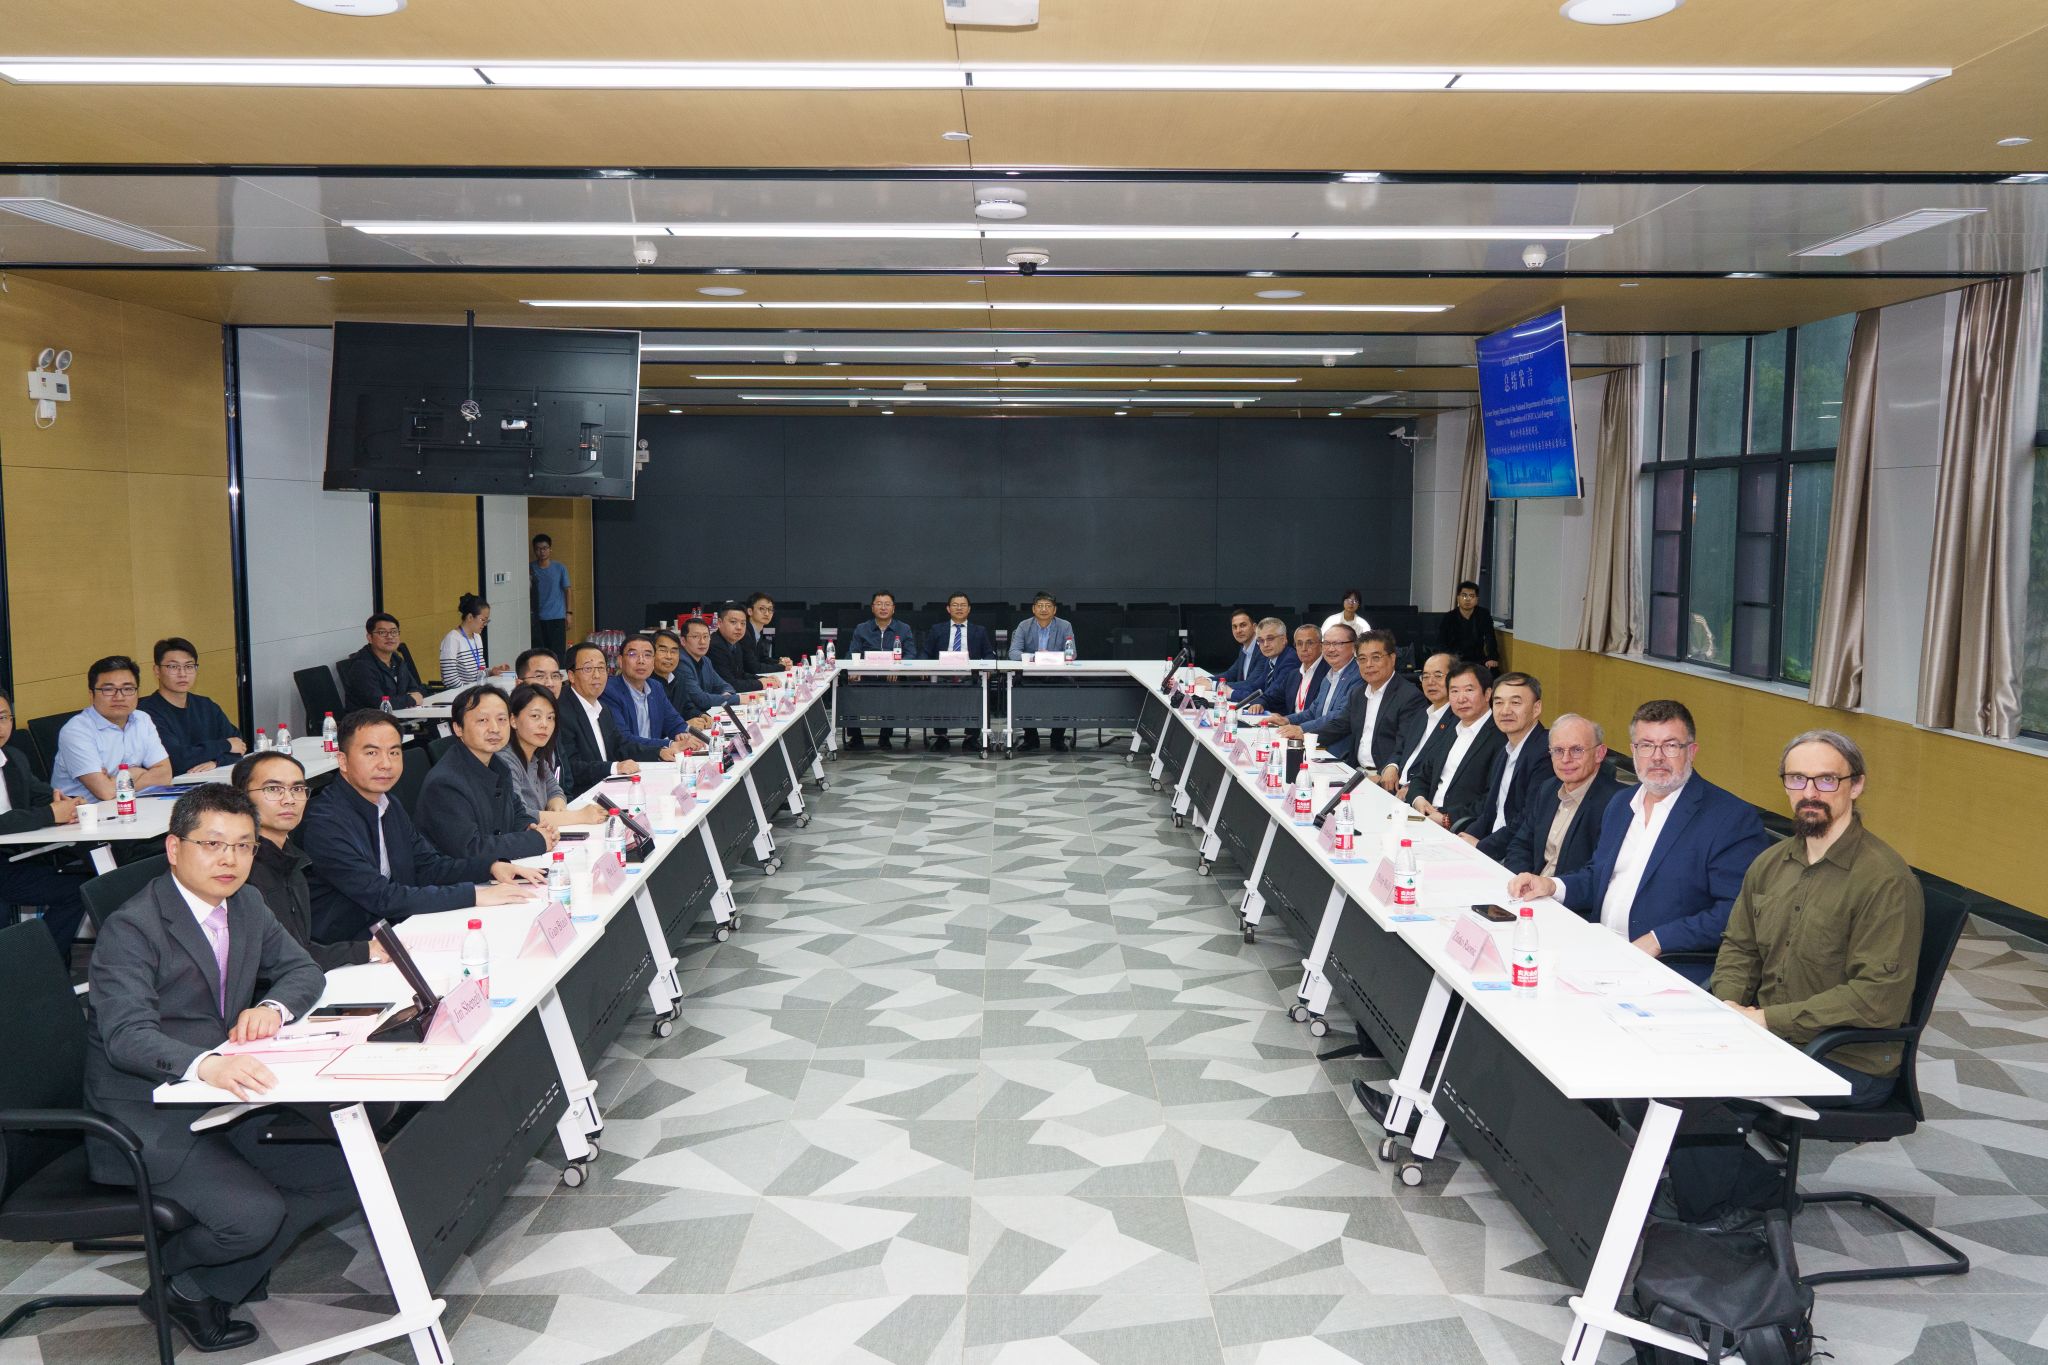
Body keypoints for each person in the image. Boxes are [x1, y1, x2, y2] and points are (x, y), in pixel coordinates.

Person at [83, 785, 358, 1351]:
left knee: (344, 1173)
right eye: (212, 844)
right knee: (253, 1217)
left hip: (224, 1097)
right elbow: (126, 1036)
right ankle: (177, 1277)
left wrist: (271, 1007)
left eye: (243, 846)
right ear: (174, 848)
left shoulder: (247, 903)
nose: (229, 859)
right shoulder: (132, 927)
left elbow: (304, 972)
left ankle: (198, 1285)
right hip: (145, 1111)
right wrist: (204, 1064)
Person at [1714, 730, 1924, 1103]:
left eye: (1827, 780)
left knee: (1697, 1090)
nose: (1810, 793)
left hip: (1843, 1059)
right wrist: (1728, 1006)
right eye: (1797, 779)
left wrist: (1767, 1019)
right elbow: (1740, 947)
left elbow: (1876, 997)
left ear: (1856, 786)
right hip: (1769, 1037)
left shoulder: (1885, 880)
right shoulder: (1770, 863)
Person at [1508, 700, 1771, 984]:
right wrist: (1552, 885)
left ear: (1692, 751)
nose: (1657, 757)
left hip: (1668, 968)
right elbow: (1599, 876)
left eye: (1670, 746)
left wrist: (1659, 939)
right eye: (1646, 745)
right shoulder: (1621, 803)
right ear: (1633, 751)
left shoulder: (1730, 818)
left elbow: (1736, 911)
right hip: (1599, 952)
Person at [302, 710, 543, 944]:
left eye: (394, 752)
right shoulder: (326, 821)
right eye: (372, 753)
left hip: (397, 926)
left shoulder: (388, 803)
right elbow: (382, 897)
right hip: (350, 947)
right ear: (343, 761)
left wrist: (490, 868)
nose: (386, 764)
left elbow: (428, 866)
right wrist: (474, 895)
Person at [232, 750, 381, 970]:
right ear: (242, 798)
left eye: (297, 789)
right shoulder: (240, 870)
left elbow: (298, 947)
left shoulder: (291, 858)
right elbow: (278, 959)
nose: (289, 800)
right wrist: (362, 950)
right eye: (273, 789)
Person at [417, 685, 556, 863]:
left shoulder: (498, 766)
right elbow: (471, 849)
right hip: (460, 877)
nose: (495, 728)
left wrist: (532, 827)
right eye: (483, 720)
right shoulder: (445, 783)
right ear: (458, 728)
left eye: (501, 719)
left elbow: (516, 812)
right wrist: (534, 840)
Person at [0, 688, 88, 962]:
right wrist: (50, 814)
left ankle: (38, 963)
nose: (0, 726)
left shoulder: (13, 758)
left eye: (3, 717)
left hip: (12, 863)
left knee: (83, 888)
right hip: (8, 866)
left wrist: (68, 804)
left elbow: (41, 794)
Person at [1479, 713, 1621, 880]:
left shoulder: (1616, 802)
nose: (1566, 759)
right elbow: (1521, 844)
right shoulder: (1548, 789)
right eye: (1558, 751)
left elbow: (1597, 872)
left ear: (1599, 753)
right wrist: (1522, 878)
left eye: (1577, 750)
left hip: (1567, 894)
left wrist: (1551, 887)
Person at [554, 641, 692, 792]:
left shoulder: (602, 708)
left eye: (601, 668)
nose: (597, 675)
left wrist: (659, 751)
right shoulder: (561, 712)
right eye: (588, 669)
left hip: (609, 788)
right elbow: (570, 767)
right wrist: (614, 767)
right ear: (571, 676)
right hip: (582, 796)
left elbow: (620, 745)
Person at [51, 655, 174, 798]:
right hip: (86, 809)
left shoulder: (142, 719)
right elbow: (105, 792)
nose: (119, 697)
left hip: (131, 803)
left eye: (127, 689)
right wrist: (135, 772)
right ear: (91, 695)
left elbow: (165, 774)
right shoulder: (76, 731)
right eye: (108, 689)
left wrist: (119, 780)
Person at [1405, 662, 1505, 828]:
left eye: (1469, 690)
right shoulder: (1449, 728)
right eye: (1454, 691)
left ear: (1488, 694)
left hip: (1462, 828)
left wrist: (1447, 818)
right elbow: (1423, 774)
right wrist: (1418, 799)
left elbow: (1492, 799)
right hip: (1426, 816)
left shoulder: (1500, 737)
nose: (1461, 698)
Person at [1311, 629, 1427, 771]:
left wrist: (1391, 768)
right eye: (1362, 659)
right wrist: (1305, 738)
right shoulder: (1358, 693)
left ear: (1392, 658)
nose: (1368, 664)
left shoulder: (1409, 696)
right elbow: (1339, 725)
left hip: (1385, 775)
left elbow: (1407, 743)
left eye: (1376, 658)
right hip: (1356, 771)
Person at [499, 683, 606, 829]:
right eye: (535, 716)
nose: (544, 724)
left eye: (550, 717)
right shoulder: (505, 761)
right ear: (513, 720)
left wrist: (557, 803)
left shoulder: (536, 757)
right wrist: (580, 816)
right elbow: (520, 815)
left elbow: (554, 789)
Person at [1460, 671, 1548, 846]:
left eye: (1515, 702)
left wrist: (1481, 846)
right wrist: (1463, 839)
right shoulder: (1506, 750)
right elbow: (1489, 812)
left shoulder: (1545, 753)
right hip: (1491, 843)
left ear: (1536, 708)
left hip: (1515, 852)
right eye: (1498, 702)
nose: (1505, 710)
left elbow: (1529, 819)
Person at [137, 637, 246, 774]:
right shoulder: (145, 712)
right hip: (170, 785)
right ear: (157, 670)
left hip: (209, 780)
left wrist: (216, 762)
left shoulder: (206, 705)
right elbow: (175, 760)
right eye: (173, 667)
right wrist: (225, 745)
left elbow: (239, 745)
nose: (182, 674)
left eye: (189, 666)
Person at [1273, 624, 1363, 758]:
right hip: (1317, 748)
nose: (1331, 649)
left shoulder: (1358, 676)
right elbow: (1313, 711)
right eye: (1326, 643)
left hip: (1340, 754)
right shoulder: (1328, 676)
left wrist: (1301, 729)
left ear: (1354, 646)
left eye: (1337, 643)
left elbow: (1339, 716)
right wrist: (1286, 720)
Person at [845, 591, 918, 750]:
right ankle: (856, 737)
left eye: (887, 604)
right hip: (865, 677)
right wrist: (854, 669)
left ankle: (885, 736)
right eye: (879, 604)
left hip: (891, 677)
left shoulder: (903, 628)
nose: (883, 608)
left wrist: (897, 669)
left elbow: (911, 654)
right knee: (849, 691)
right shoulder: (862, 628)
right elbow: (852, 652)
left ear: (893, 608)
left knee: (892, 691)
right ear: (872, 608)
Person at [603, 636, 700, 755]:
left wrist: (682, 735)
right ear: (620, 661)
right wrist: (669, 744)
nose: (641, 661)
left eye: (647, 655)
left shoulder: (655, 687)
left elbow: (675, 723)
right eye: (633, 654)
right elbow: (624, 739)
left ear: (653, 662)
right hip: (627, 761)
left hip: (654, 760)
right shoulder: (609, 691)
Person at [924, 591, 995, 751]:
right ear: (948, 609)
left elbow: (989, 654)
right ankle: (941, 737)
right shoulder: (937, 629)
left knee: (977, 690)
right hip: (942, 675)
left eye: (963, 605)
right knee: (937, 690)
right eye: (955, 605)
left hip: (970, 676)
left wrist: (988, 666)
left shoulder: (979, 630)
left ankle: (971, 738)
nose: (959, 608)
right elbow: (926, 652)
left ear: (969, 609)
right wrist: (924, 667)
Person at [1008, 592, 1078, 751]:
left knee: (1068, 688)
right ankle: (1031, 738)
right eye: (1040, 606)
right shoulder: (1024, 626)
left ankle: (1057, 738)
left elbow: (1072, 653)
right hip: (1030, 675)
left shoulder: (1065, 626)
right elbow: (1013, 653)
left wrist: (1049, 657)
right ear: (1034, 609)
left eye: (1048, 606)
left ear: (1054, 610)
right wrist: (1035, 657)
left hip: (1057, 675)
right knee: (1018, 688)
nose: (1044, 609)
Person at [339, 613, 426, 712]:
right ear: (370, 638)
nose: (390, 636)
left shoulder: (397, 660)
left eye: (394, 632)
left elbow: (415, 689)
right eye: (382, 632)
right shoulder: (361, 666)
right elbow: (379, 704)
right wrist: (410, 700)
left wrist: (412, 697)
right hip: (369, 720)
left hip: (400, 715)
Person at [675, 617, 745, 720]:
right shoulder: (681, 662)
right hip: (688, 720)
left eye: (706, 636)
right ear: (683, 641)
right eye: (695, 636)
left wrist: (727, 696)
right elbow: (701, 700)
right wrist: (736, 699)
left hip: (705, 717)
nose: (702, 642)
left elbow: (725, 686)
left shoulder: (705, 660)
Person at [1249, 624, 1326, 717]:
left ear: (1321, 646)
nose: (1304, 648)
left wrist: (1287, 720)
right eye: (1299, 644)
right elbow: (1271, 697)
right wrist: (1259, 703)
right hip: (1290, 724)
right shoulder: (1293, 675)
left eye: (1310, 643)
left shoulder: (1328, 673)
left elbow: (1317, 714)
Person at [438, 593, 510, 689]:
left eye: (487, 621)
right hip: (462, 694)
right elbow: (450, 679)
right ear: (470, 617)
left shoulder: (477, 637)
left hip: (476, 691)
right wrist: (470, 692)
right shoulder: (452, 639)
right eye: (482, 620)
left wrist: (491, 672)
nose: (484, 624)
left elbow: (477, 673)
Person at [1225, 618, 1297, 707]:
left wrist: (1232, 694)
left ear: (1283, 639)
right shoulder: (1270, 660)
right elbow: (1255, 687)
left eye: (1270, 639)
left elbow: (1270, 695)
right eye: (1261, 640)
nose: (1265, 645)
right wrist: (1225, 688)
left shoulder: (1290, 660)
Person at [1436, 580, 1501, 672]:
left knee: (1493, 670)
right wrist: (1449, 659)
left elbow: (1490, 637)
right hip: (1455, 658)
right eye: (1464, 595)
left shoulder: (1483, 614)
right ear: (1458, 598)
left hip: (1477, 658)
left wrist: (1492, 657)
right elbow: (1441, 642)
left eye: (1472, 596)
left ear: (1477, 599)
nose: (1467, 599)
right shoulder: (1449, 617)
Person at [709, 603, 775, 694]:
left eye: (743, 623)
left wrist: (764, 679)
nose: (739, 627)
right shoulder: (715, 646)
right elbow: (729, 684)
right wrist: (761, 683)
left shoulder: (736, 643)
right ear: (719, 623)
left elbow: (740, 674)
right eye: (733, 622)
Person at [530, 532, 571, 658]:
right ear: (534, 550)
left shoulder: (560, 568)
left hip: (556, 617)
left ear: (550, 549)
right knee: (540, 654)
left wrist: (569, 613)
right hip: (537, 619)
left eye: (544, 548)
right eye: (538, 549)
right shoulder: (530, 568)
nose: (542, 552)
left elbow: (568, 590)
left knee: (558, 653)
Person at [744, 592, 793, 673]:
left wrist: (781, 662)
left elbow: (762, 659)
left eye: (770, 609)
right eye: (762, 609)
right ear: (750, 611)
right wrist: (781, 667)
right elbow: (753, 668)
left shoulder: (757, 632)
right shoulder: (744, 633)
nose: (767, 613)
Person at [1217, 610, 1259, 686]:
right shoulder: (1244, 649)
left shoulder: (1263, 649)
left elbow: (1251, 684)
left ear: (1254, 627)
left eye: (1243, 625)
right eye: (1234, 627)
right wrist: (1208, 680)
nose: (1238, 631)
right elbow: (1230, 674)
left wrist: (1214, 685)